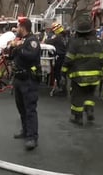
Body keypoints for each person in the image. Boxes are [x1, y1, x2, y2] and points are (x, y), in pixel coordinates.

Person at [62, 20, 103, 125]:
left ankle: (78, 117)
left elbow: (69, 59)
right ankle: (89, 110)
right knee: (90, 94)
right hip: (95, 75)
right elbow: (102, 59)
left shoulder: (75, 44)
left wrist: (63, 72)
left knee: (77, 96)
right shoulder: (98, 43)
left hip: (79, 77)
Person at [9, 17, 41, 150]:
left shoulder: (32, 41)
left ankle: (32, 137)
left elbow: (31, 55)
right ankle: (25, 130)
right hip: (18, 79)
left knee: (30, 109)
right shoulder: (21, 41)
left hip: (28, 80)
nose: (17, 29)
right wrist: (12, 47)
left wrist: (19, 47)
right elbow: (11, 56)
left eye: (18, 27)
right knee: (21, 108)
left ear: (23, 28)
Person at [45, 23, 68, 95]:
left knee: (58, 73)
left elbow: (48, 41)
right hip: (66, 57)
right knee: (63, 73)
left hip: (60, 57)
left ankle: (61, 88)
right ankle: (63, 88)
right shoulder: (66, 37)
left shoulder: (57, 37)